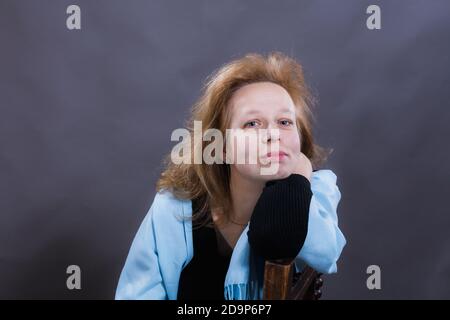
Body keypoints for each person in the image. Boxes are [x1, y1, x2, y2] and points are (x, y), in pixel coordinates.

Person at [115, 52, 346, 300]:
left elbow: (317, 251)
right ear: (222, 147)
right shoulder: (175, 207)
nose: (273, 134)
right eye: (252, 124)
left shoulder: (316, 189)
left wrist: (299, 171)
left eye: (285, 122)